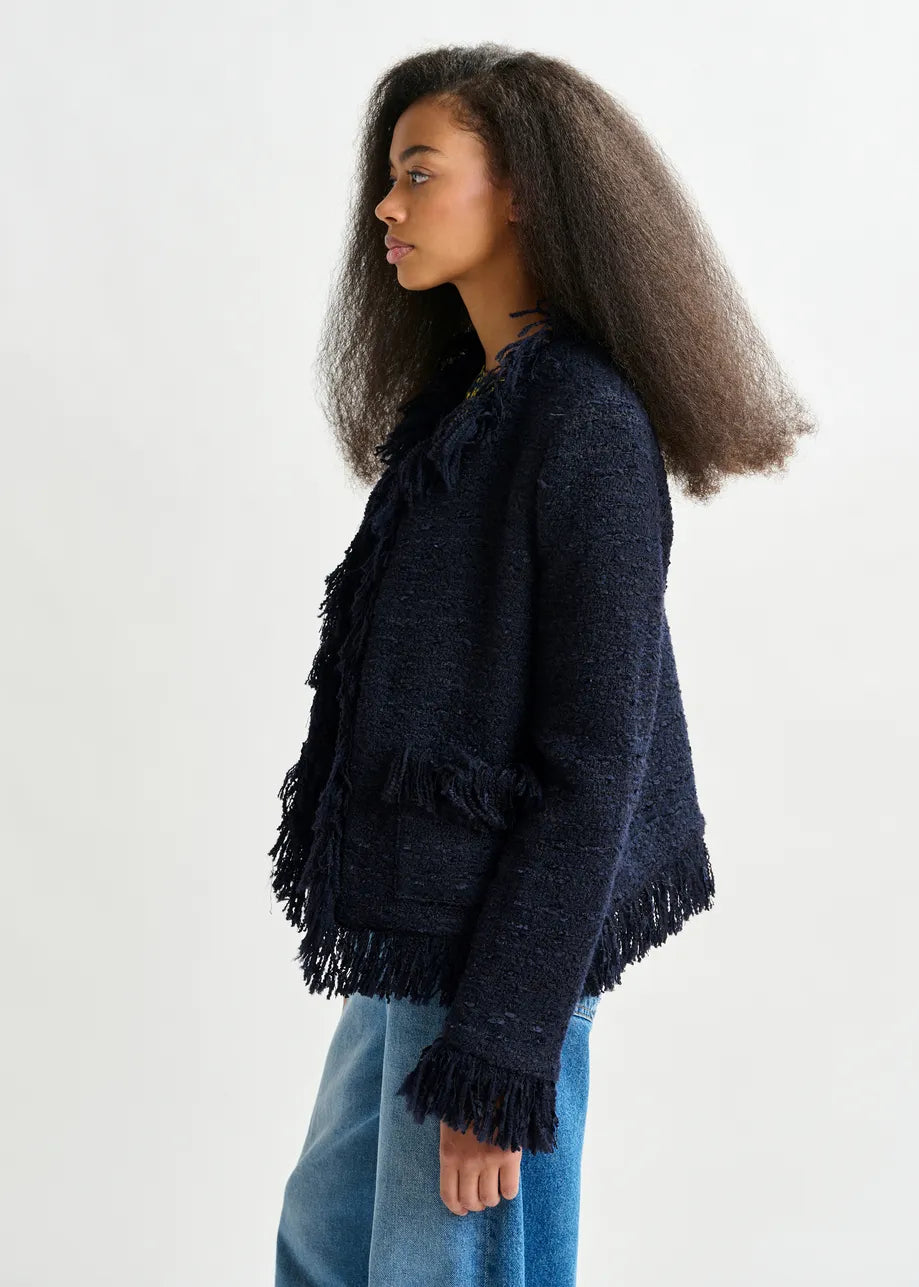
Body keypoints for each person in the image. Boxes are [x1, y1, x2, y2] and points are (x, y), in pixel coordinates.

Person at [270, 43, 815, 1287]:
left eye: (419, 174)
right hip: (419, 926)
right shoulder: (468, 405)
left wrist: (502, 1049)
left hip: (499, 951)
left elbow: (597, 763)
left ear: (516, 186)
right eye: (388, 178)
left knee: (443, 1265)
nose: (385, 209)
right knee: (322, 1233)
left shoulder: (583, 426)